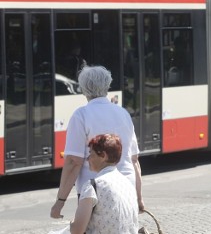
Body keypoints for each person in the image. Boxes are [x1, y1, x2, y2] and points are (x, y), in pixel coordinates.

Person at [50, 66, 143, 219]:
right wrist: (139, 198)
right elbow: (134, 160)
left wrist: (60, 201)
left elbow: (74, 162)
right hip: (127, 186)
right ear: (108, 85)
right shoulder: (123, 113)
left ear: (83, 88)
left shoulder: (81, 115)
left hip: (94, 191)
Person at [70, 134, 139, 234]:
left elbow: (77, 230)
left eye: (91, 154)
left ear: (103, 156)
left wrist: (72, 223)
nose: (88, 158)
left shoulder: (93, 186)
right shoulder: (127, 184)